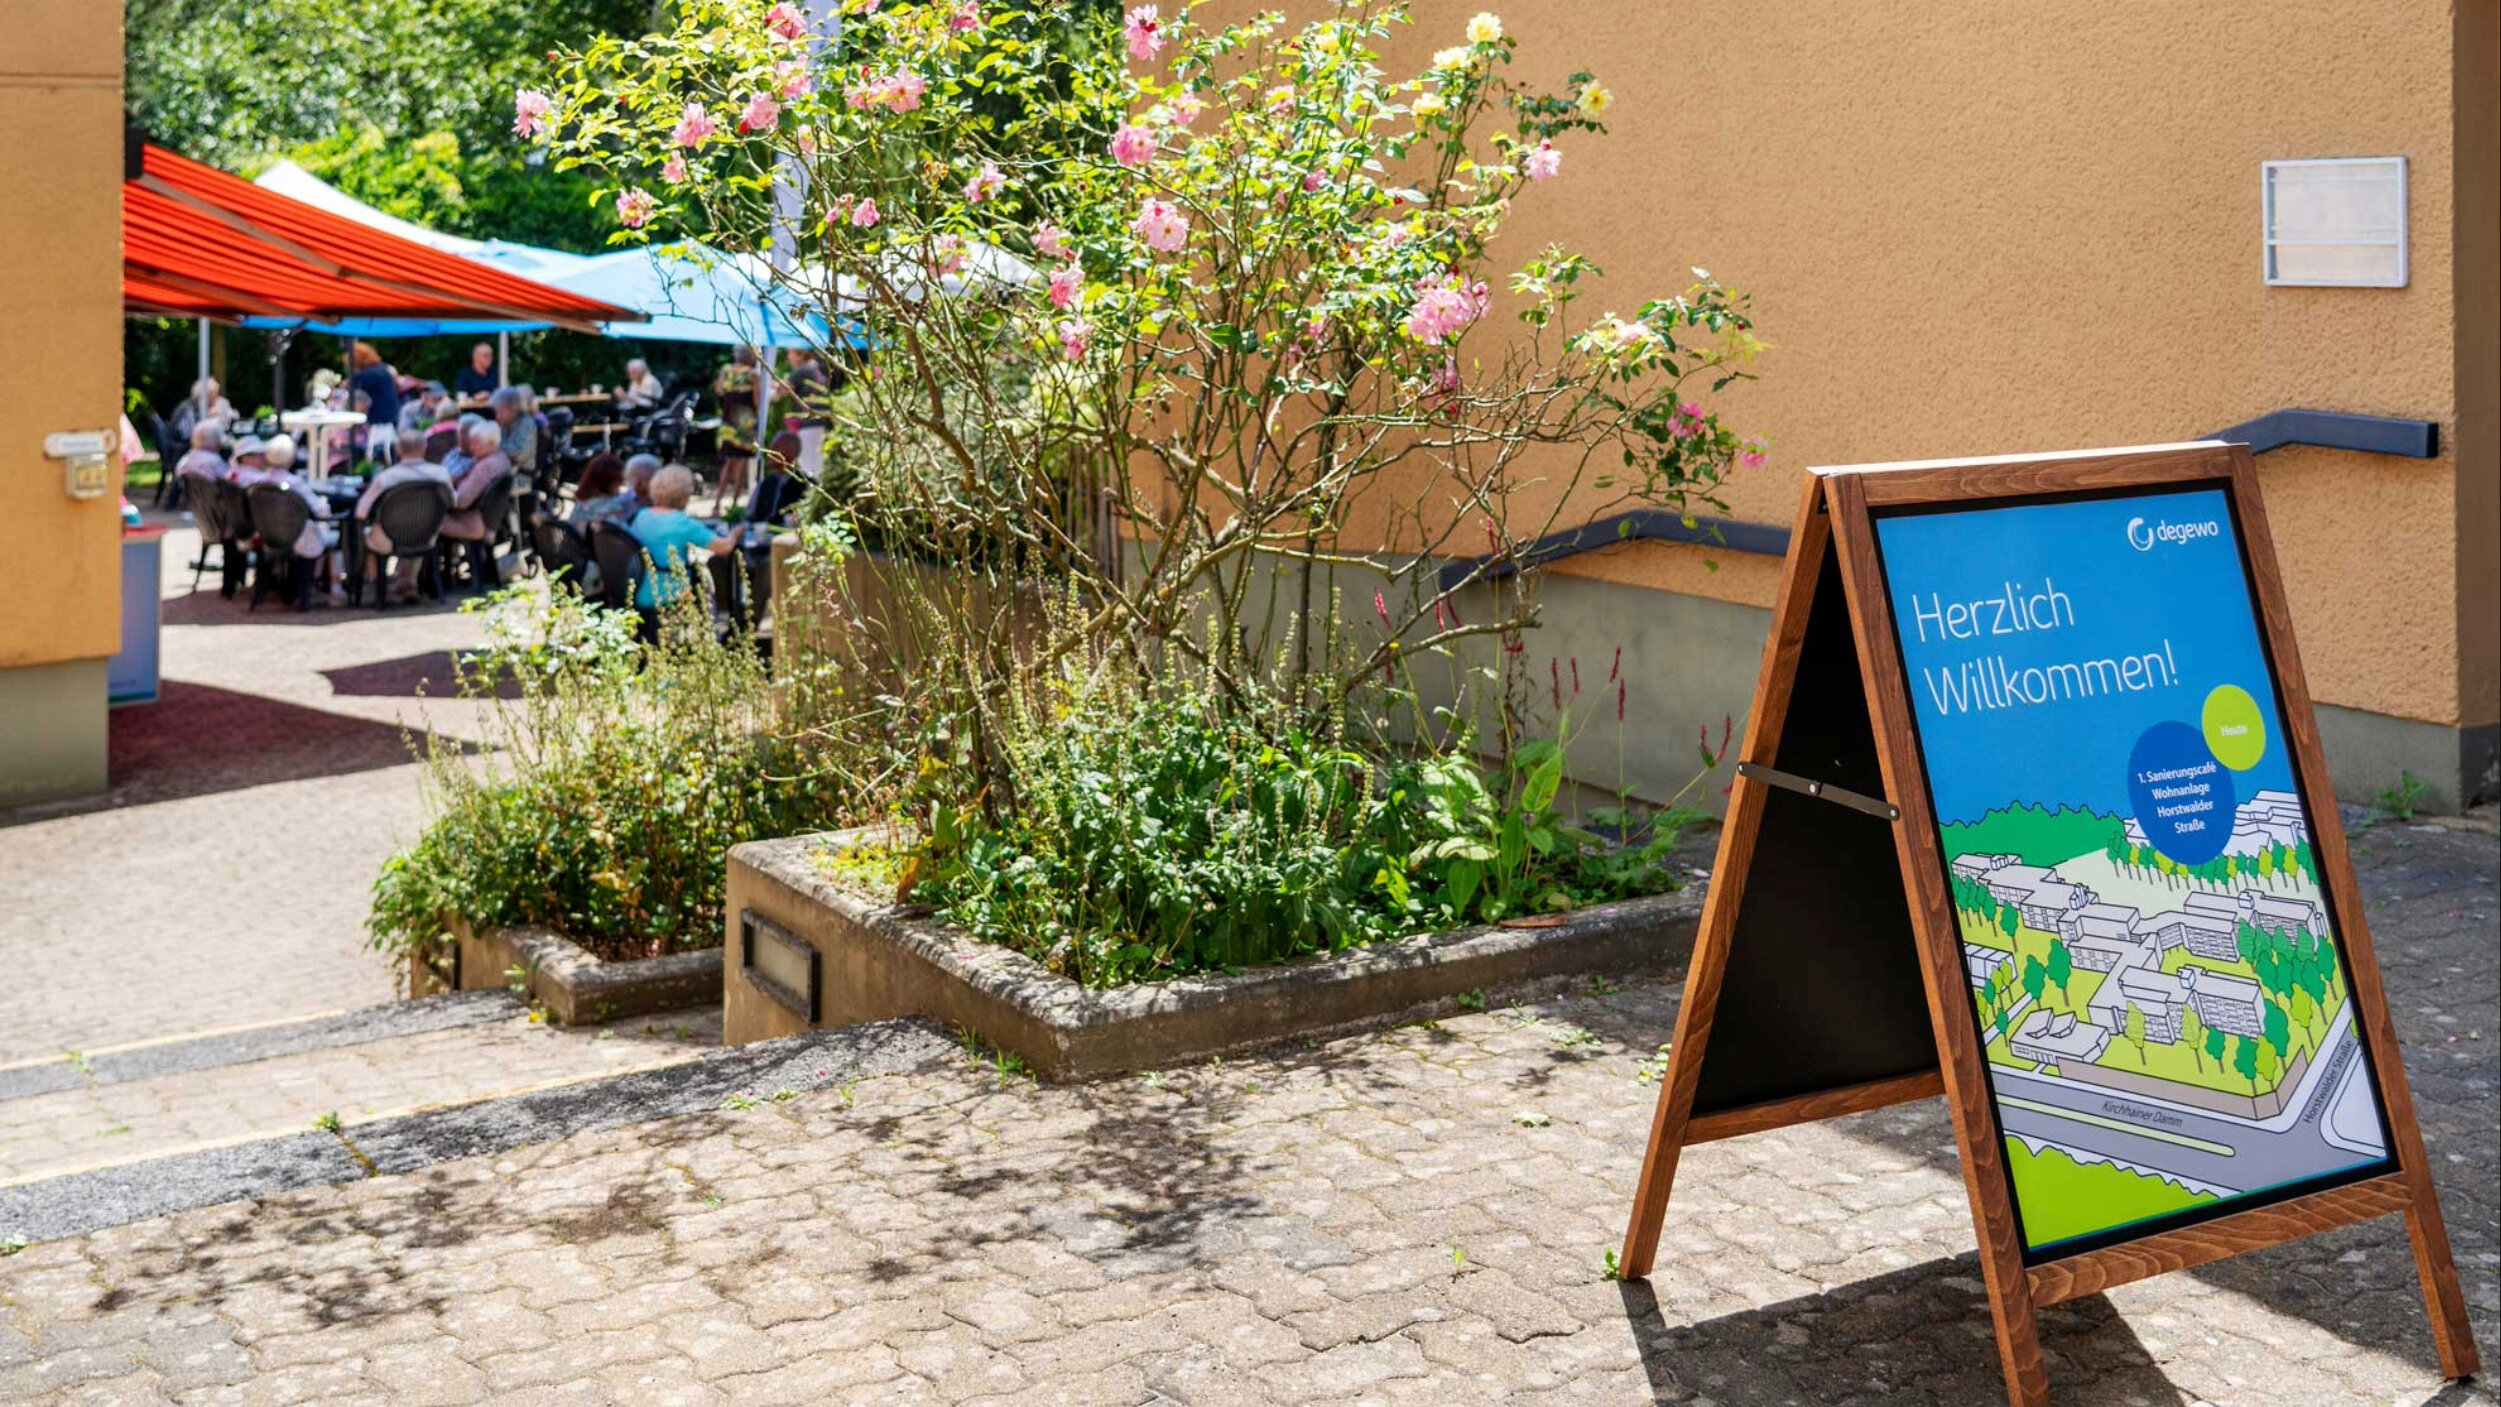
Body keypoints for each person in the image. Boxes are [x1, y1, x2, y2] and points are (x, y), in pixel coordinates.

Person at [629, 464, 740, 636]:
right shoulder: (682, 522)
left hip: (640, 588)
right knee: (706, 584)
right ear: (684, 495)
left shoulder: (641, 516)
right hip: (669, 591)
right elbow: (724, 547)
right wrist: (737, 532)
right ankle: (714, 641)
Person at [356, 441, 456, 601]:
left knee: (367, 533)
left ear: (398, 450)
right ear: (424, 448)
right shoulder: (441, 474)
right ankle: (408, 584)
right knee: (418, 527)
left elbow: (361, 512)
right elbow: (453, 502)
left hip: (389, 539)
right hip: (427, 535)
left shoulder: (386, 477)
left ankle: (377, 584)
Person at [438, 419, 514, 546]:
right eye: (471, 443)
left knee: (422, 518)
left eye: (476, 444)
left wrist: (436, 493)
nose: (471, 448)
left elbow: (461, 501)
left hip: (471, 523)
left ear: (491, 444)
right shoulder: (501, 458)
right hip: (487, 520)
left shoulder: (485, 467)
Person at [711, 344, 762, 509]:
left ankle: (717, 504)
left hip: (727, 421)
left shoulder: (725, 370)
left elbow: (719, 390)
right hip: (745, 423)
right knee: (741, 464)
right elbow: (757, 402)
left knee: (727, 464)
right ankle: (734, 505)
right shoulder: (753, 375)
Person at [782, 347, 830, 479]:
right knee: (817, 464)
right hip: (822, 422)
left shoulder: (802, 369)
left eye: (790, 353)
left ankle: (810, 495)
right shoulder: (819, 368)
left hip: (807, 424)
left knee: (806, 467)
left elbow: (782, 390)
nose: (788, 357)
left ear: (800, 354)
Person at [350, 342, 403, 462]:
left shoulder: (364, 376)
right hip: (392, 418)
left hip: (375, 422)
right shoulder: (384, 370)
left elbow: (359, 403)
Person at [746, 429, 808, 527]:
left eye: (775, 447)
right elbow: (749, 514)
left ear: (791, 451)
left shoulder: (806, 485)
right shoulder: (766, 483)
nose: (770, 451)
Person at [568, 452, 637, 530]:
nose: (621, 484)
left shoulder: (581, 503)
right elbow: (627, 538)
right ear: (610, 482)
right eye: (620, 480)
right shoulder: (610, 508)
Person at [490, 385, 538, 481]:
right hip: (506, 472)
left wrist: (493, 447)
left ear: (511, 409)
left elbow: (519, 454)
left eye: (499, 412)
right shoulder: (506, 424)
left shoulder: (526, 423)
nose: (497, 416)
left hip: (520, 476)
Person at [170, 376, 235, 443]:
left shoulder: (196, 408)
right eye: (214, 395)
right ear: (206, 396)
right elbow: (191, 437)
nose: (216, 399)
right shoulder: (187, 410)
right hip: (184, 450)